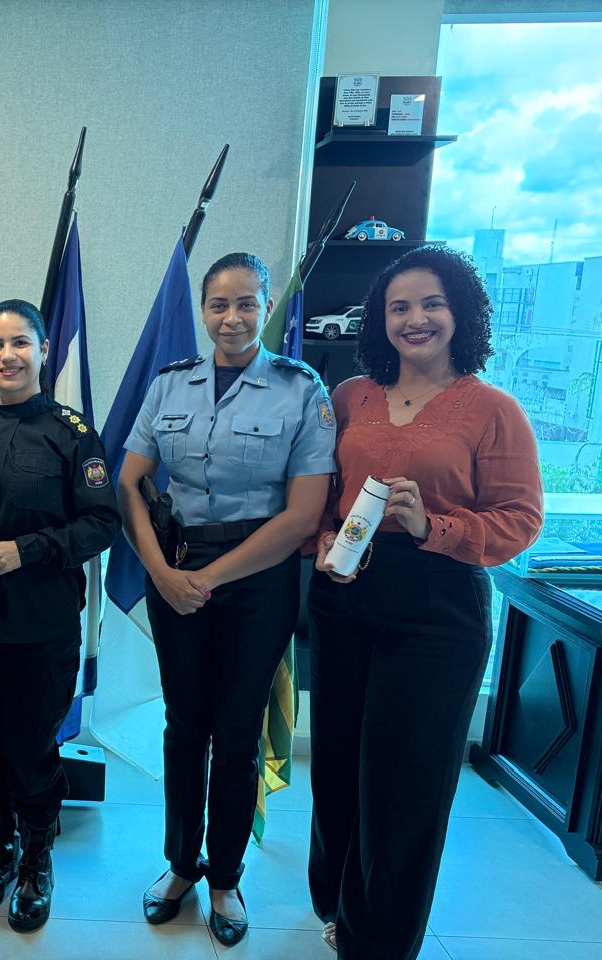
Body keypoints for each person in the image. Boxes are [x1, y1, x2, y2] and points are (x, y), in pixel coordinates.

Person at [308, 245, 542, 958]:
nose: (415, 319)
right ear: (378, 321)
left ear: (459, 313)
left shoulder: (493, 410)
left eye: (431, 304)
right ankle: (338, 903)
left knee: (406, 780)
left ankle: (378, 940)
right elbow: (316, 496)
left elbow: (519, 521)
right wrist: (319, 541)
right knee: (340, 764)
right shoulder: (349, 397)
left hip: (439, 608)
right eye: (399, 307)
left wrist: (430, 526)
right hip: (346, 593)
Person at [116, 252, 335, 947]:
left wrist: (209, 580)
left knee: (236, 734)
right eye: (218, 304)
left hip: (261, 578)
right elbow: (129, 484)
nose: (232, 317)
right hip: (175, 568)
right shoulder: (170, 384)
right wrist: (161, 571)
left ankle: (226, 877)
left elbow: (303, 517)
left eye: (246, 303)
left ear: (265, 306)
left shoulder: (302, 389)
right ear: (203, 309)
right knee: (184, 727)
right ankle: (181, 865)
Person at [0, 299, 120, 934]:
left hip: (39, 625)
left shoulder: (71, 433)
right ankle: (0, 847)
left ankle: (38, 861)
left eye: (20, 343)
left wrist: (28, 551)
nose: (6, 356)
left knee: (31, 747)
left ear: (43, 352)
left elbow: (101, 523)